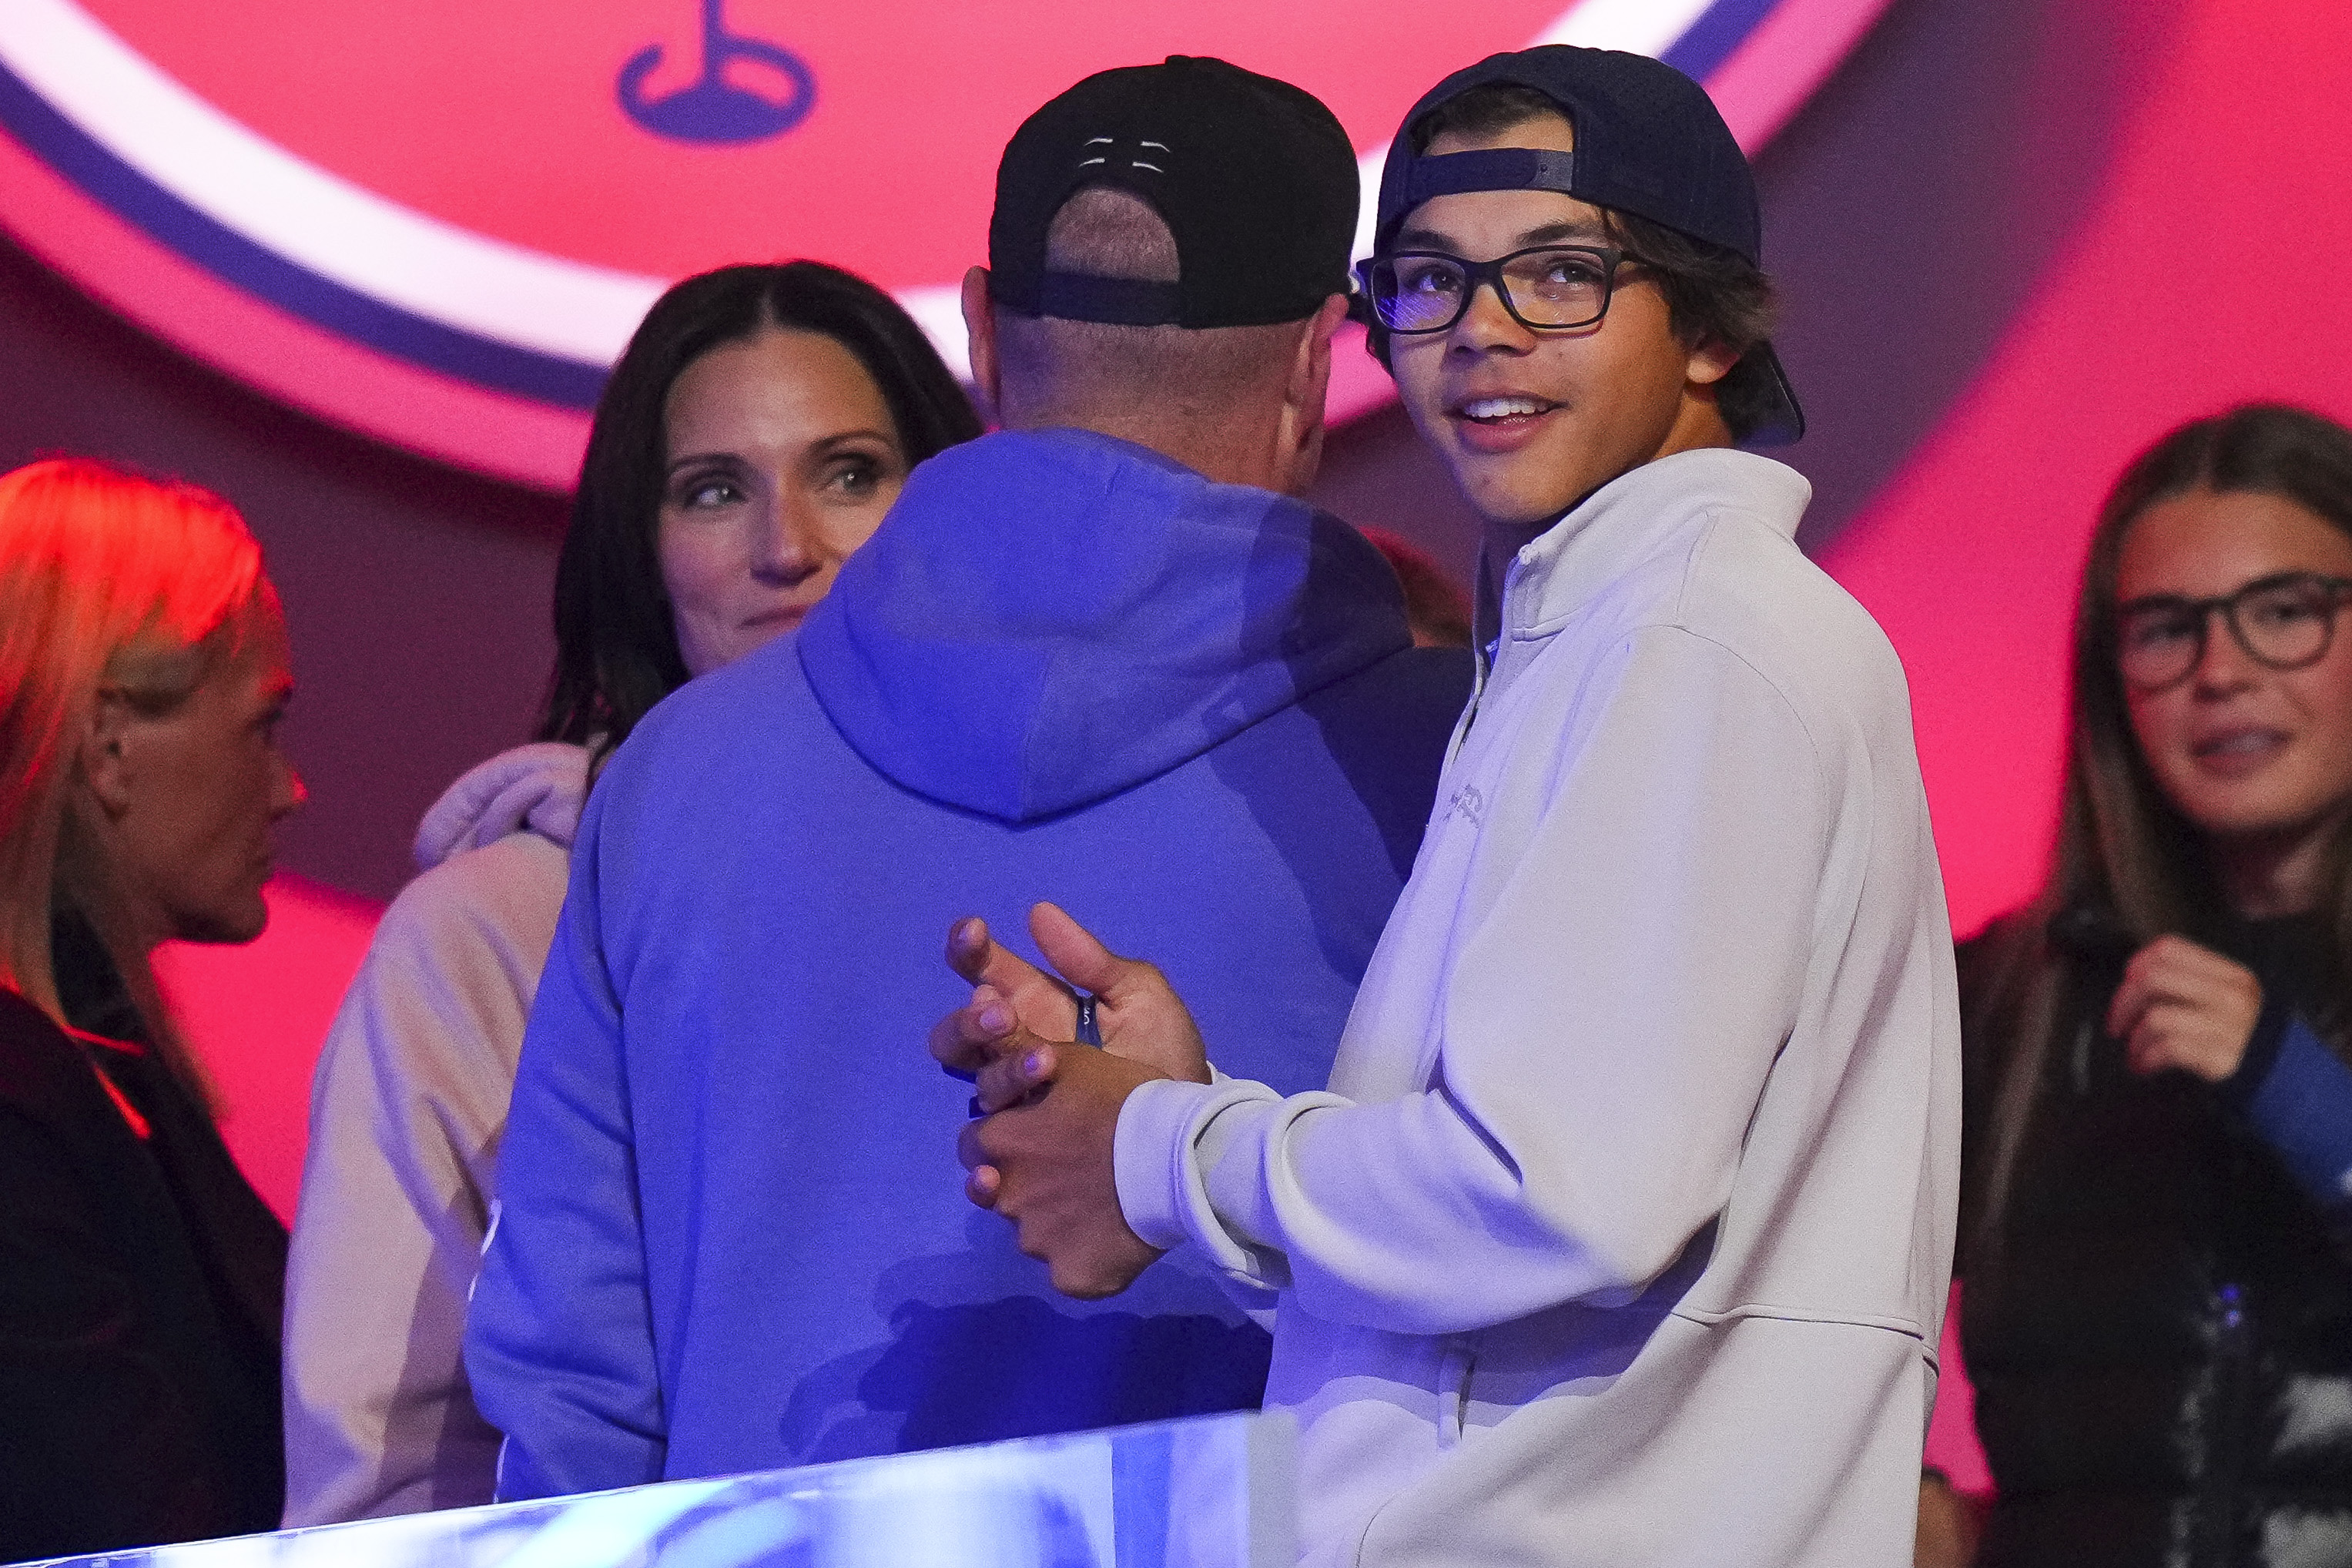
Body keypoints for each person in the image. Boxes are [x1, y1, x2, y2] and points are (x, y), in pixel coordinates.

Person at [938, 46, 1959, 1567]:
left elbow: (1566, 1200)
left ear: (1704, 326)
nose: (1480, 334)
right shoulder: (1609, 629)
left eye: (1556, 275)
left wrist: (1163, 1150)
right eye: (1427, 279)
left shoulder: (1692, 639)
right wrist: (1202, 1114)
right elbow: (1530, 1273)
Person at [463, 55, 1473, 1499]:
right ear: (1322, 358)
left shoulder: (672, 783)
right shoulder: (1462, 768)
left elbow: (571, 1374)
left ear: (985, 334)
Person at [279, 261, 982, 1526]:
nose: (788, 551)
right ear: (641, 550)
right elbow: (381, 1473)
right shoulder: (492, 935)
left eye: (850, 474)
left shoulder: (1047, 860)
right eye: (714, 491)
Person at [1917, 405, 2352, 1568]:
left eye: (2282, 614)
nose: (2221, 672)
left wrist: (2298, 1097)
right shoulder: (2008, 1003)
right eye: (2164, 630)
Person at [0, 459, 303, 1559]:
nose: (288, 788)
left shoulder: (94, 1078)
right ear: (112, 745)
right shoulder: (22, 1110)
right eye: (263, 725)